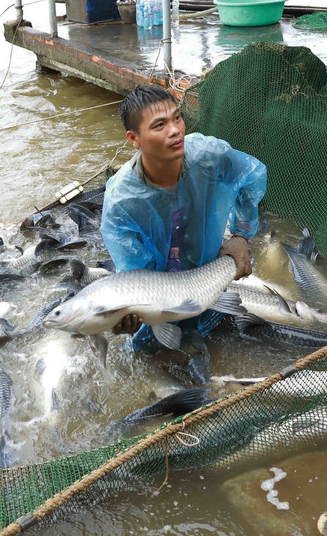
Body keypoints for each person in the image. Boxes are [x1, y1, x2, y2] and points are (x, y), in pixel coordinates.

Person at [101, 85, 267, 348]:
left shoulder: (210, 156)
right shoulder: (121, 203)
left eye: (177, 118)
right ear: (134, 139)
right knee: (148, 354)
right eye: (159, 126)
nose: (175, 130)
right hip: (162, 297)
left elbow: (250, 177)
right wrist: (130, 311)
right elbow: (136, 275)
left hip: (210, 279)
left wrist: (240, 236)